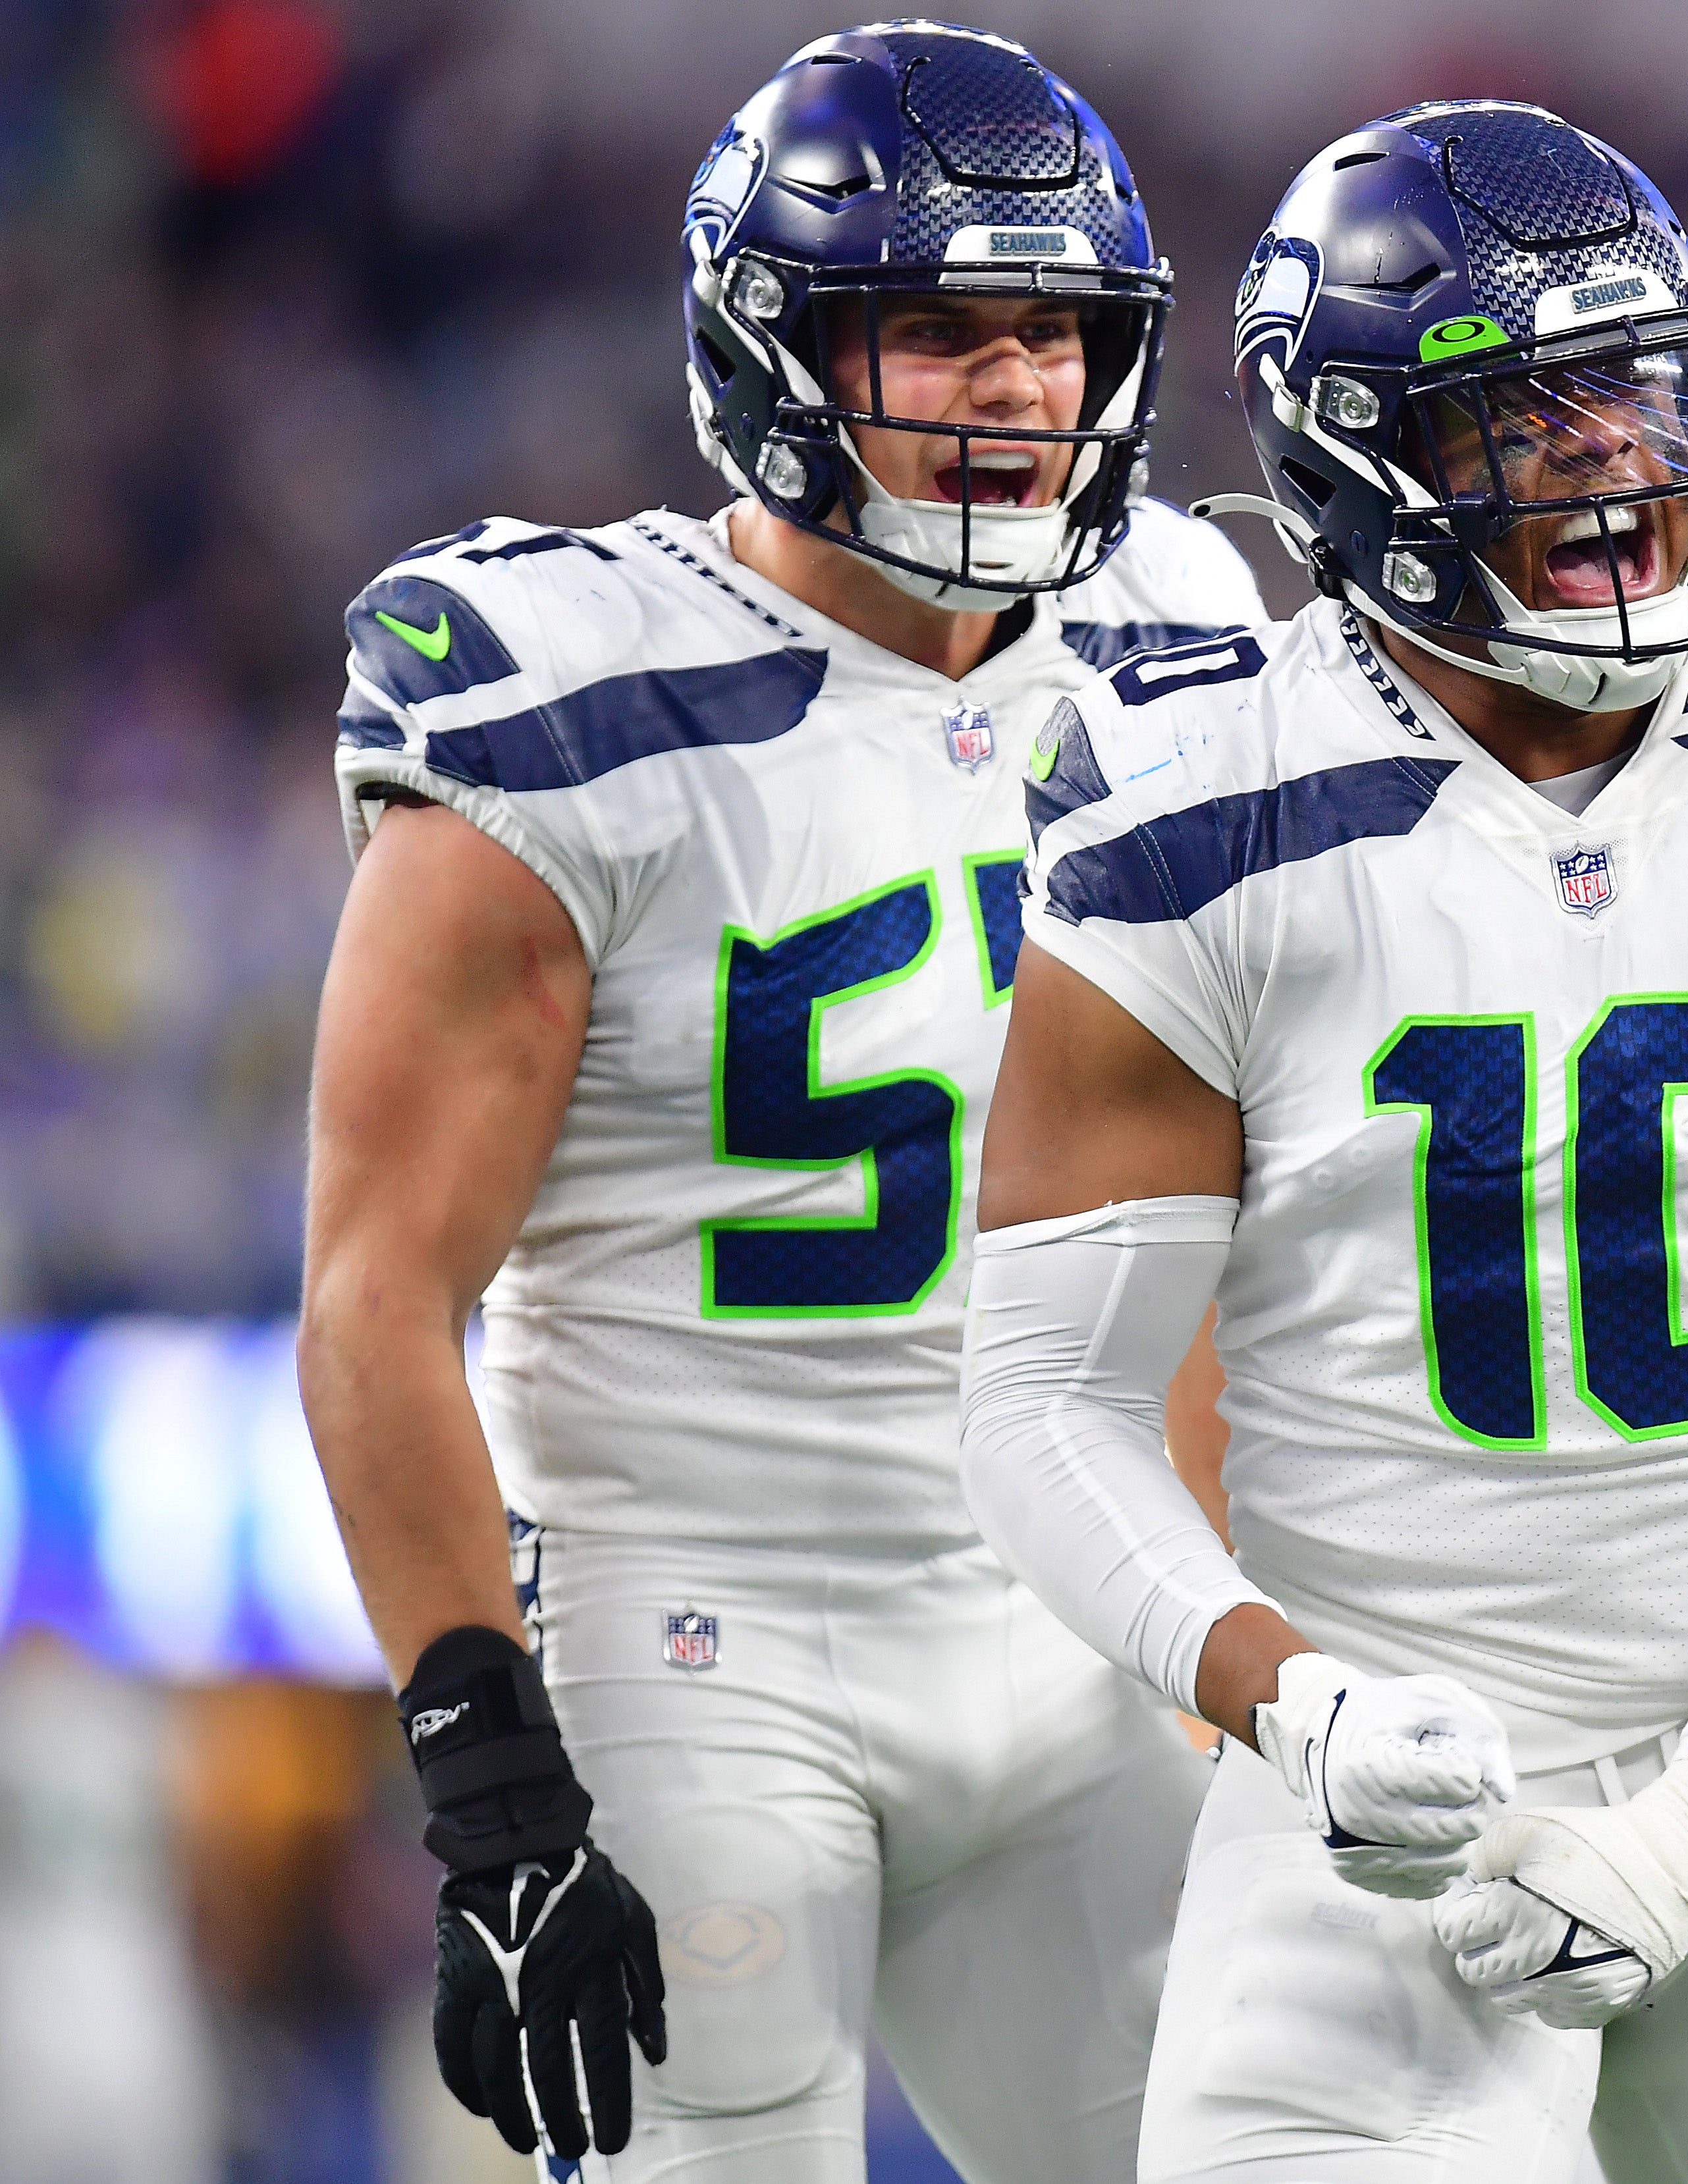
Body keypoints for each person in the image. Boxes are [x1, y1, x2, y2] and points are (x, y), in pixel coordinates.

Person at [958, 101, 1688, 2184]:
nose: (1612, 456)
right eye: (1521, 414)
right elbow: (1040, 1401)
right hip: (1385, 1815)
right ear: (1355, 463)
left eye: (1638, 388)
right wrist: (1296, 1707)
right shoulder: (1202, 794)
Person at [296, 24, 1264, 2178]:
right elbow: (376, 1295)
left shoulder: (1180, 632)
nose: (1017, 389)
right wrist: (487, 1781)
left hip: (1072, 1610)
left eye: (1057, 332)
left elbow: (1210, 1187)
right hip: (694, 1627)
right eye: (938, 328)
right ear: (774, 344)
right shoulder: (563, 693)